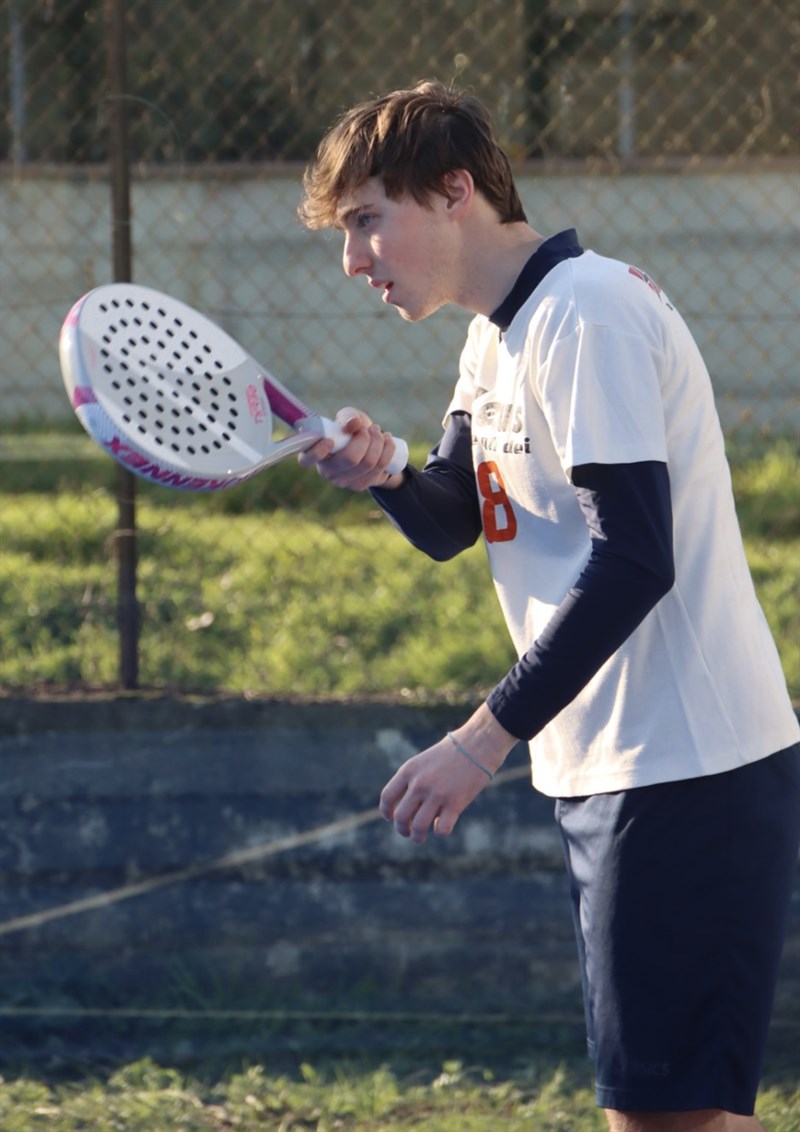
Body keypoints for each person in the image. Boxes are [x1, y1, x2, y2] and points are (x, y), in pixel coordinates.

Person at [295, 80, 800, 1131]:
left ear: (451, 191)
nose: (352, 261)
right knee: (681, 1113)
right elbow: (450, 517)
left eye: (363, 222)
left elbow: (633, 558)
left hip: (686, 768)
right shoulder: (494, 338)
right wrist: (383, 470)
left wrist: (478, 743)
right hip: (618, 770)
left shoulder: (587, 312)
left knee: (661, 1117)